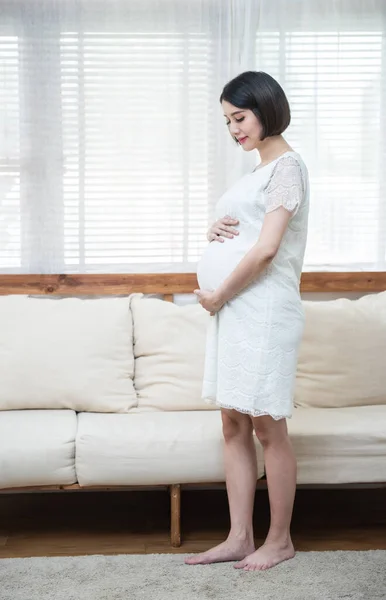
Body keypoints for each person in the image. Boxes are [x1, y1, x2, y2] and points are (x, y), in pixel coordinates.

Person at [185, 71, 310, 571]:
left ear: (266, 108)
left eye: (240, 117)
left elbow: (266, 251)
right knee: (232, 422)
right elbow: (247, 233)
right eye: (227, 121)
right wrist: (214, 229)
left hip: (261, 311)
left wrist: (216, 296)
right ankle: (240, 536)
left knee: (266, 426)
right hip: (235, 310)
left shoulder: (287, 167)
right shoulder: (257, 172)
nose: (234, 128)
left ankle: (279, 540)